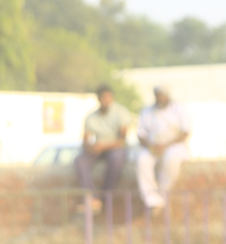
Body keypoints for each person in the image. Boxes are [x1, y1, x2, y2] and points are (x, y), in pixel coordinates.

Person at [76, 84, 132, 213]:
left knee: (116, 159)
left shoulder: (121, 112)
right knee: (80, 161)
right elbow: (85, 141)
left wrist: (105, 146)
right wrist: (91, 146)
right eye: (103, 97)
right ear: (98, 99)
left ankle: (106, 195)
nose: (106, 100)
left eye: (108, 97)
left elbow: (122, 140)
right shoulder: (91, 116)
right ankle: (91, 197)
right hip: (99, 148)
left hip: (115, 147)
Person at [136, 85, 191, 211]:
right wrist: (151, 145)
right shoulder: (147, 111)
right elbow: (140, 134)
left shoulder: (179, 109)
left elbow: (185, 132)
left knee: (172, 159)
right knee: (142, 160)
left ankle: (161, 194)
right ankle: (151, 199)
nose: (160, 98)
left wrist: (166, 145)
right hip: (152, 146)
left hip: (174, 145)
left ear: (167, 95)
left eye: (162, 95)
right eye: (158, 95)